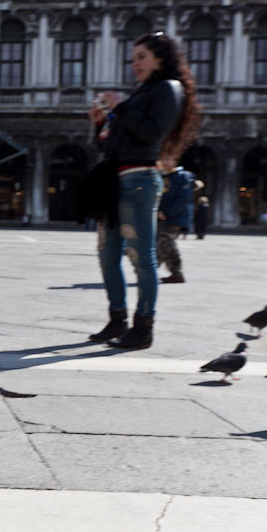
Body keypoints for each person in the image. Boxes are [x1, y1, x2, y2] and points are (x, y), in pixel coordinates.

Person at [87, 31, 200, 349]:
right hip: (115, 179)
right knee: (107, 256)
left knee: (142, 258)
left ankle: (143, 328)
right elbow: (108, 145)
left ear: (160, 59)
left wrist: (120, 107)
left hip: (139, 180)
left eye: (141, 56)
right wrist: (100, 123)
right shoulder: (141, 94)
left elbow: (152, 131)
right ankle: (117, 320)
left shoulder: (168, 89)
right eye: (133, 56)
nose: (134, 62)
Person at [156, 160, 194, 283]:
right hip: (158, 217)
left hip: (175, 218)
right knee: (164, 244)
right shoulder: (160, 175)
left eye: (168, 159)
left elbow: (183, 199)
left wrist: (167, 213)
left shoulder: (183, 176)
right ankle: (175, 273)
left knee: (164, 243)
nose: (165, 162)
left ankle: (151, 271)